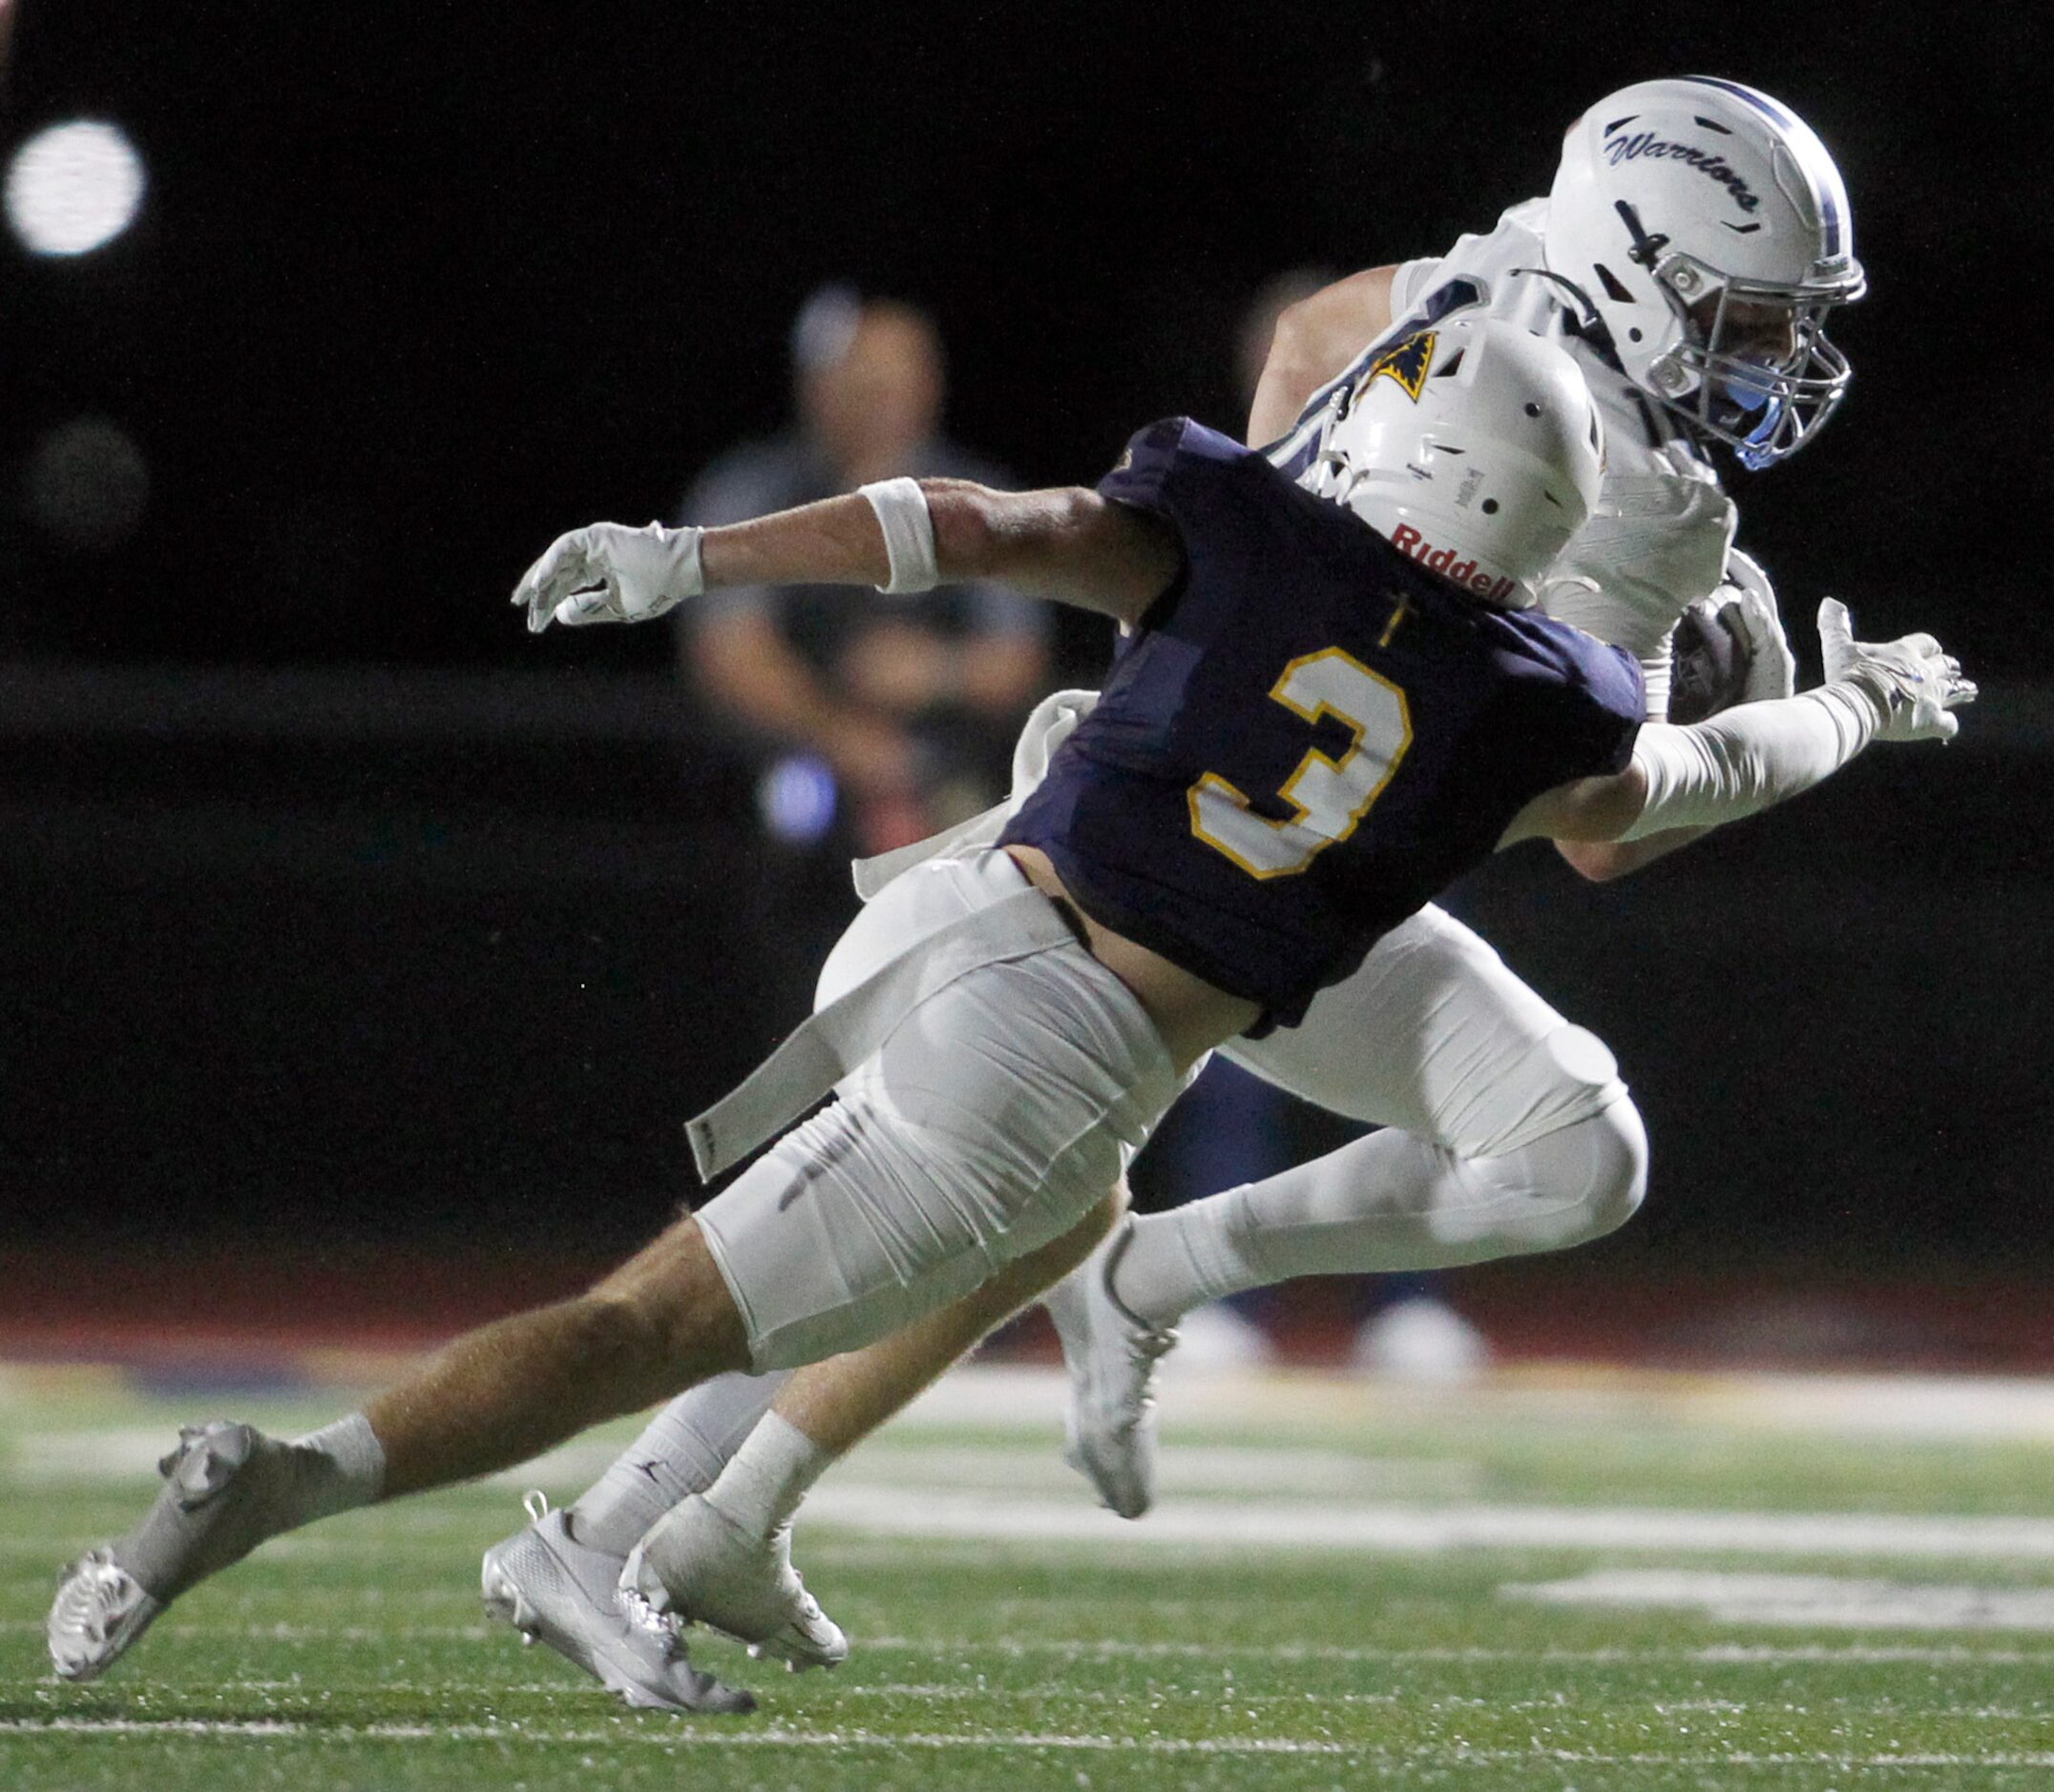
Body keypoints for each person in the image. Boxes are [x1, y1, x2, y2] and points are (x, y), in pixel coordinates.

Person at [48, 313, 1968, 1704]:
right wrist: (1854, 708)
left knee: (1049, 1226)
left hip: (950, 906)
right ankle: (331, 1495)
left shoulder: (1240, 515)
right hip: (1054, 1047)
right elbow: (1685, 784)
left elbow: (971, 523)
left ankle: (656, 1537)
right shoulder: (1522, 706)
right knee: (656, 1320)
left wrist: (687, 559)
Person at [441, 75, 1939, 1710]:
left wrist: (1262, 598)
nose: (1764, 361)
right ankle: (652, 1505)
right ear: (1637, 262)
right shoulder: (1657, 503)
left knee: (969, 1200)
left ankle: (947, 1381)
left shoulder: (1482, 277)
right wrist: (1762, 706)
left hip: (1196, 798)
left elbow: (1304, 335)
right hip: (1232, 860)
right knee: (948, 1197)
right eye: (1737, 317)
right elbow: (1601, 825)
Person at [683, 286, 1050, 860]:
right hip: (796, 776)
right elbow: (729, 651)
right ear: (816, 387)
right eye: (860, 383)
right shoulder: (755, 490)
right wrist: (843, 738)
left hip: (946, 778)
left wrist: (936, 670)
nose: (879, 402)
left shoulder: (980, 500)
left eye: (896, 382)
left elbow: (1018, 657)